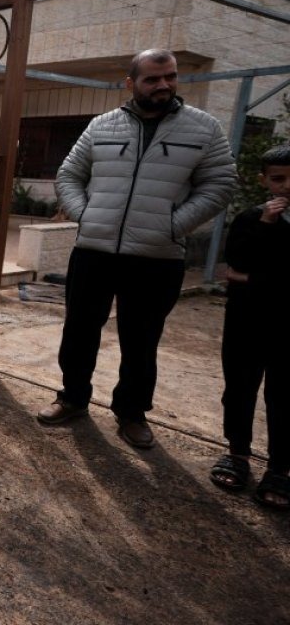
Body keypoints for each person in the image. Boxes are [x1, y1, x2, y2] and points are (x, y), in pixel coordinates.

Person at [37, 49, 237, 449]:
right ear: (131, 83)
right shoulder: (102, 125)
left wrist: (172, 226)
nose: (164, 85)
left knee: (141, 340)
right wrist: (85, 215)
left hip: (156, 256)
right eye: (152, 79)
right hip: (94, 250)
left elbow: (220, 184)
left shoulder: (203, 128)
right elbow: (69, 174)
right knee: (79, 330)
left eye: (170, 77)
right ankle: (72, 397)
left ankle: (131, 413)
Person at [209, 145, 290, 509]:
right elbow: (236, 264)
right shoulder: (250, 219)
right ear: (264, 181)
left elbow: (246, 275)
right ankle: (238, 452)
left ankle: (280, 468)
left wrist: (253, 280)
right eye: (278, 179)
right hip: (246, 321)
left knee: (285, 396)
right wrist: (266, 225)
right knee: (239, 387)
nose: (287, 187)